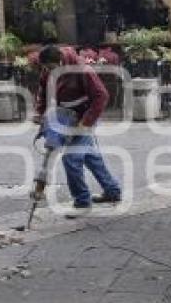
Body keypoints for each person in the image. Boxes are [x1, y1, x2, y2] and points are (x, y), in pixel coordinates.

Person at [35, 46, 122, 217]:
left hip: (84, 116)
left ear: (60, 60)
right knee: (90, 156)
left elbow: (101, 96)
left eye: (51, 68)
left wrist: (86, 123)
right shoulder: (48, 71)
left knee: (71, 158)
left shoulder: (82, 69)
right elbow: (43, 93)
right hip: (65, 116)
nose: (48, 72)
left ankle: (82, 201)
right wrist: (40, 113)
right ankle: (112, 191)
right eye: (45, 68)